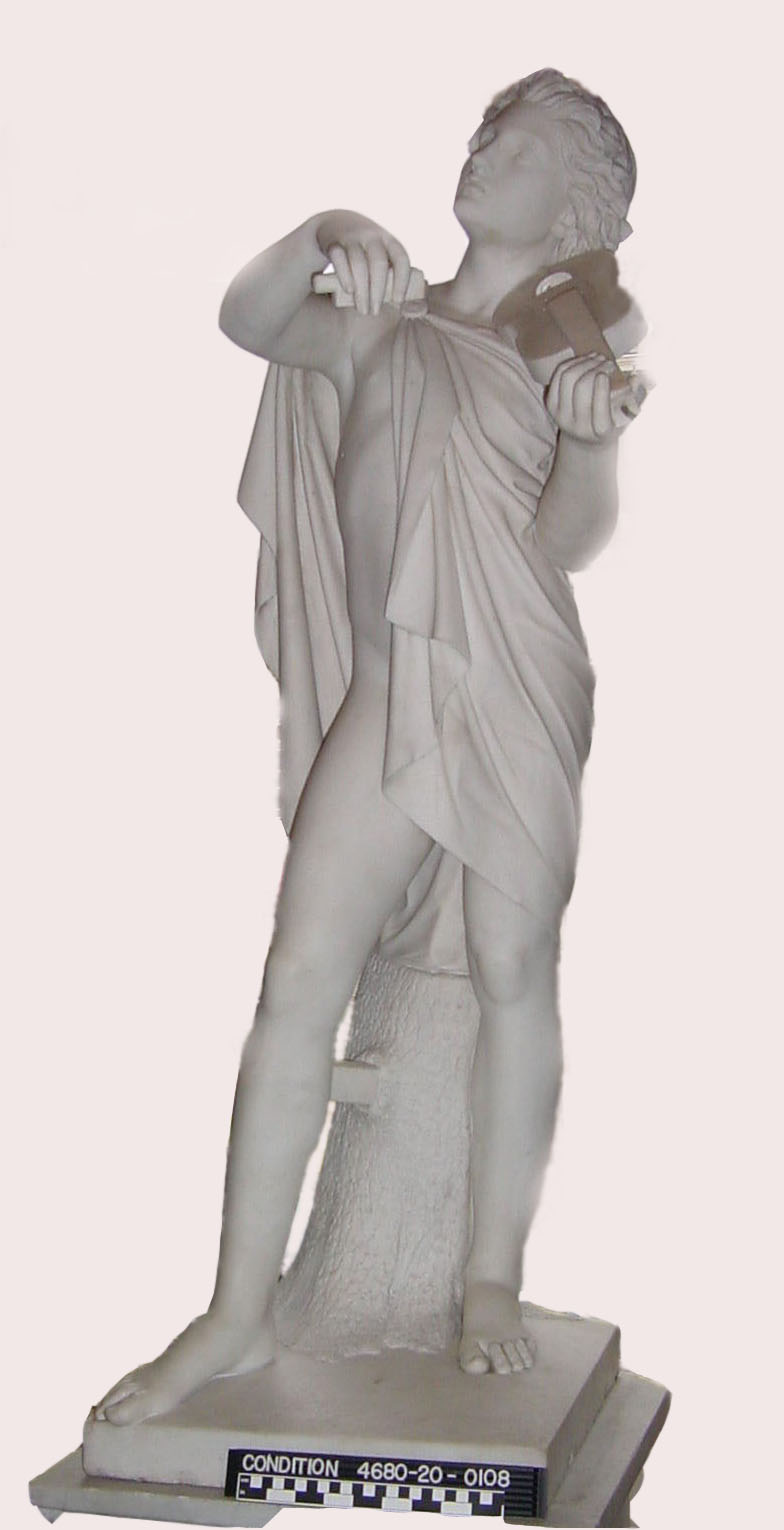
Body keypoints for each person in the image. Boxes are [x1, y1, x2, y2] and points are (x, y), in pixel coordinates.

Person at [95, 68, 643, 1425]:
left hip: (513, 689)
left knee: (513, 970)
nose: (483, 150)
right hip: (387, 695)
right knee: (297, 980)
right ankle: (237, 1309)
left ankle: (489, 1280)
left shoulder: (564, 346)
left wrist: (588, 446)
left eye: (518, 145)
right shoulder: (381, 321)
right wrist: (327, 225)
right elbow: (248, 316)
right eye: (484, 130)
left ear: (574, 201)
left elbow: (565, 544)